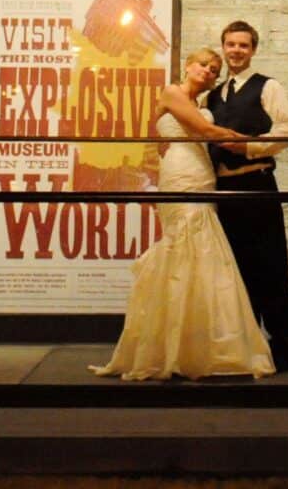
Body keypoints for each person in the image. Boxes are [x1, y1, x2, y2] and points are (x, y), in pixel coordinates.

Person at [90, 47, 274, 380]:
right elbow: (206, 133)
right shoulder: (172, 93)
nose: (208, 71)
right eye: (203, 64)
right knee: (182, 248)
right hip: (179, 174)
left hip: (203, 176)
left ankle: (199, 345)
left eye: (214, 70)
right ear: (187, 66)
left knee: (205, 256)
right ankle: (169, 347)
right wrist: (254, 143)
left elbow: (200, 135)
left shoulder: (204, 106)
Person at [204, 19, 288, 373]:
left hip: (257, 186)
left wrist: (247, 147)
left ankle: (282, 350)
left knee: (269, 268)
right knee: (234, 272)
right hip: (223, 191)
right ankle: (245, 347)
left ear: (253, 49)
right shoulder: (212, 95)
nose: (236, 51)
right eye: (230, 44)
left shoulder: (268, 86)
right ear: (223, 47)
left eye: (243, 45)